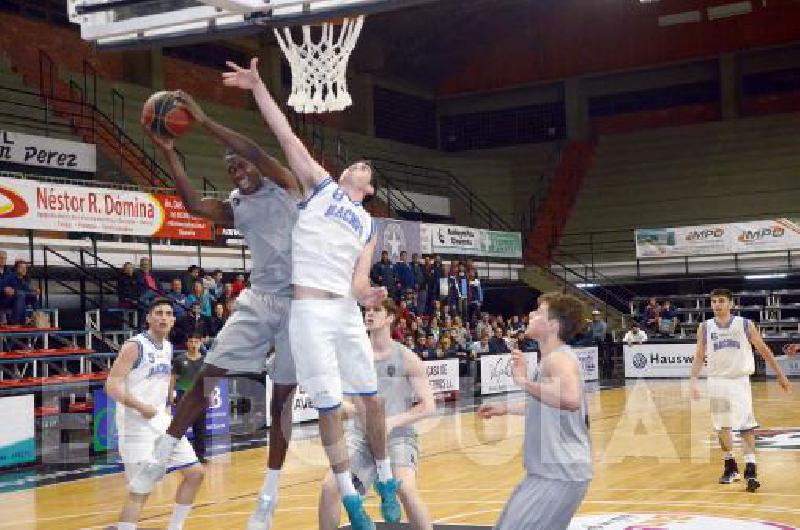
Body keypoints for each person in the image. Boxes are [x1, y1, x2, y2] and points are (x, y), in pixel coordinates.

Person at [223, 57, 400, 529]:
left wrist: (368, 296)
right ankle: (350, 498)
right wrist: (258, 88)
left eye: (368, 168)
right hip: (308, 312)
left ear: (369, 187)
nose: (361, 165)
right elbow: (285, 137)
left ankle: (384, 480)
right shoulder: (321, 187)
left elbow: (359, 280)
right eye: (357, 162)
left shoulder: (367, 224)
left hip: (343, 312)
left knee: (372, 401)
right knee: (326, 409)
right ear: (344, 175)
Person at [130, 90, 301, 530]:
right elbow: (191, 206)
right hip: (260, 300)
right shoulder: (236, 207)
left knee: (283, 399)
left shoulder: (286, 186)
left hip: (300, 303)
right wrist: (171, 154)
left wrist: (203, 120)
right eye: (230, 168)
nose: (238, 169)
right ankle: (163, 454)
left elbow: (257, 150)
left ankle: (269, 492)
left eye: (240, 165)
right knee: (208, 376)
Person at [478, 292, 591, 530]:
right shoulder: (551, 358)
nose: (530, 315)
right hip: (556, 473)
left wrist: (523, 382)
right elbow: (547, 405)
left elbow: (571, 399)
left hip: (557, 474)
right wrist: (505, 408)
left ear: (552, 325)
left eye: (539, 313)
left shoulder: (557, 360)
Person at [319, 298, 435, 530]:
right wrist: (346, 408)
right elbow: (344, 400)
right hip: (361, 437)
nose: (369, 314)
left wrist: (392, 422)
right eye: (367, 310)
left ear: (391, 317)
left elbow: (428, 406)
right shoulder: (353, 356)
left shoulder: (407, 358)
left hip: (398, 435)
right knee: (330, 488)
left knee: (405, 488)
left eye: (376, 310)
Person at [105, 298, 204, 530]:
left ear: (173, 320)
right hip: (135, 427)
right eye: (158, 312)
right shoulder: (134, 346)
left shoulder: (168, 347)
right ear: (148, 318)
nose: (163, 317)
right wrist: (140, 406)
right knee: (140, 490)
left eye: (168, 313)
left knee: (196, 474)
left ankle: (175, 527)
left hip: (163, 424)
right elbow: (111, 385)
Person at [690, 288, 792, 492]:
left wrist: (780, 375)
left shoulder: (744, 324)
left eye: (721, 301)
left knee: (746, 425)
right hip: (717, 381)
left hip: (739, 381)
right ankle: (731, 466)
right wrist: (693, 379)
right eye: (713, 302)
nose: (716, 305)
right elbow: (700, 354)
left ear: (730, 304)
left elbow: (763, 349)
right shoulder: (705, 327)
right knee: (722, 427)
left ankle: (751, 468)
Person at [171, 333, 208, 463]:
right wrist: (171, 394)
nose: (193, 344)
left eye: (196, 342)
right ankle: (177, 456)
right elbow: (173, 378)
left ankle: (199, 455)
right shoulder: (179, 359)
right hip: (184, 396)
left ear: (200, 343)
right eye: (191, 341)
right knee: (181, 427)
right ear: (187, 343)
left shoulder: (206, 360)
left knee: (200, 428)